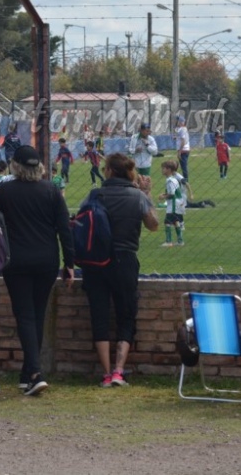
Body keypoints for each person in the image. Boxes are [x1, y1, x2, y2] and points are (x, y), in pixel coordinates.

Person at [0, 145, 75, 395]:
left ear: (15, 166)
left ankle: (33, 372)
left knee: (25, 316)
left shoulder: (5, 191)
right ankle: (29, 370)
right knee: (37, 314)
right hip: (46, 260)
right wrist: (70, 264)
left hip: (16, 260)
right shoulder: (51, 191)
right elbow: (64, 229)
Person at [80, 153, 159, 388]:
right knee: (126, 314)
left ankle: (105, 372)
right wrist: (147, 194)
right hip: (125, 259)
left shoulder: (95, 194)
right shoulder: (136, 196)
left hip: (96, 262)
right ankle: (118, 370)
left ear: (110, 171)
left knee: (99, 315)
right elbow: (153, 224)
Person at [159, 160, 185, 247]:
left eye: (163, 168)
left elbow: (172, 194)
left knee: (167, 221)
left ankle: (169, 241)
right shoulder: (173, 179)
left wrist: (163, 196)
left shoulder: (170, 180)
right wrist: (165, 194)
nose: (162, 170)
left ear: (169, 169)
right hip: (178, 203)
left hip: (173, 204)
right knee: (175, 221)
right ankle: (180, 241)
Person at [128, 122, 158, 195]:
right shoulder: (134, 137)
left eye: (149, 131)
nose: (148, 132)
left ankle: (146, 199)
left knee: (145, 185)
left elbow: (155, 152)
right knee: (135, 183)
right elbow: (130, 150)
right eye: (146, 131)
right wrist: (135, 150)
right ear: (141, 130)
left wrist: (147, 145)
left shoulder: (151, 139)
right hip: (136, 164)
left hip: (146, 165)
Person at [175, 114, 191, 182]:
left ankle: (186, 179)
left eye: (178, 121)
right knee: (183, 165)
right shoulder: (183, 129)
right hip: (185, 149)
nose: (177, 122)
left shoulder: (182, 129)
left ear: (181, 122)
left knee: (183, 166)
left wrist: (179, 151)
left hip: (183, 150)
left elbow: (183, 141)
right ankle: (185, 178)